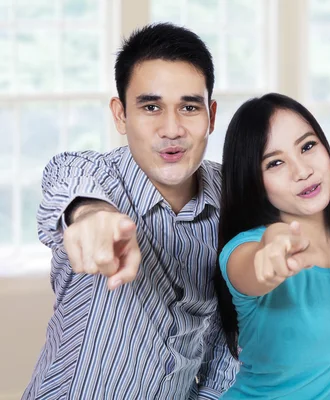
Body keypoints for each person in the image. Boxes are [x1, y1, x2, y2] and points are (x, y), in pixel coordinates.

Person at [23, 23, 238, 400]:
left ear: (212, 115)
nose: (171, 129)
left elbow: (231, 332)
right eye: (151, 107)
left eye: (189, 107)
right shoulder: (99, 178)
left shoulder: (234, 196)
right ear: (120, 115)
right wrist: (90, 215)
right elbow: (65, 173)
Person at [213, 93, 330, 399]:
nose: (302, 171)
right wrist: (272, 245)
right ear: (254, 181)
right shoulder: (243, 249)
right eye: (275, 163)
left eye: (307, 146)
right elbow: (256, 262)